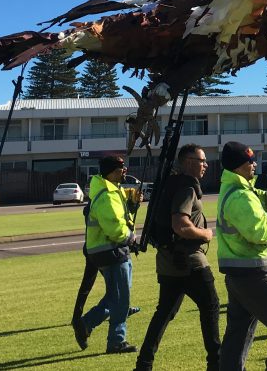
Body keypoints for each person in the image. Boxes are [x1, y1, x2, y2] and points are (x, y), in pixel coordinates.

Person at [134, 145, 220, 371]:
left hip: (167, 259)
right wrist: (206, 234)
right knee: (211, 307)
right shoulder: (186, 188)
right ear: (189, 162)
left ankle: (144, 364)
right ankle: (216, 363)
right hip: (190, 261)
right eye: (202, 160)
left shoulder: (169, 184)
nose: (205, 165)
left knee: (164, 312)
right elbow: (181, 225)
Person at [216, 141, 267, 371]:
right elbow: (259, 231)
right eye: (249, 161)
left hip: (239, 273)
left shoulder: (241, 189)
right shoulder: (240, 195)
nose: (254, 164)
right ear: (238, 166)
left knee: (238, 333)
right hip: (252, 273)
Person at [78, 155, 141, 354]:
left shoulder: (111, 190)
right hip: (111, 250)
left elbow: (121, 215)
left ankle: (86, 323)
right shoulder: (107, 195)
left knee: (117, 295)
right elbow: (115, 228)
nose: (124, 171)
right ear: (110, 172)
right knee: (121, 299)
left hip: (107, 250)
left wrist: (131, 202)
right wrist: (131, 238)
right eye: (120, 168)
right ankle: (115, 341)